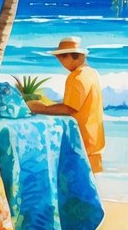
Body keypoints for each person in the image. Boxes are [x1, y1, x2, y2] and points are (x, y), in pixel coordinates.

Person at [29, 36, 105, 172]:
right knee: (91, 188)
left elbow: (70, 108)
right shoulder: (91, 73)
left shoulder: (76, 77)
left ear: (70, 56)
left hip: (81, 143)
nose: (60, 62)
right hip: (94, 141)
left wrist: (41, 108)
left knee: (78, 187)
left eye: (61, 58)